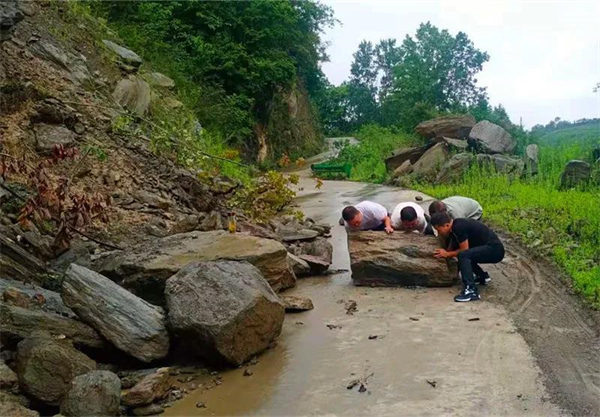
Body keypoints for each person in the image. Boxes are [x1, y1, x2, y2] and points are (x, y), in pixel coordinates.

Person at [430, 212, 505, 302]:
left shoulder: (458, 228)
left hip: (495, 250)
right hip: (491, 248)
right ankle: (482, 276)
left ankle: (471, 290)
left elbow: (464, 249)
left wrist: (447, 254)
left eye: (439, 230)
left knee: (463, 256)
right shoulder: (455, 227)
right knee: (467, 255)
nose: (439, 233)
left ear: (447, 225)